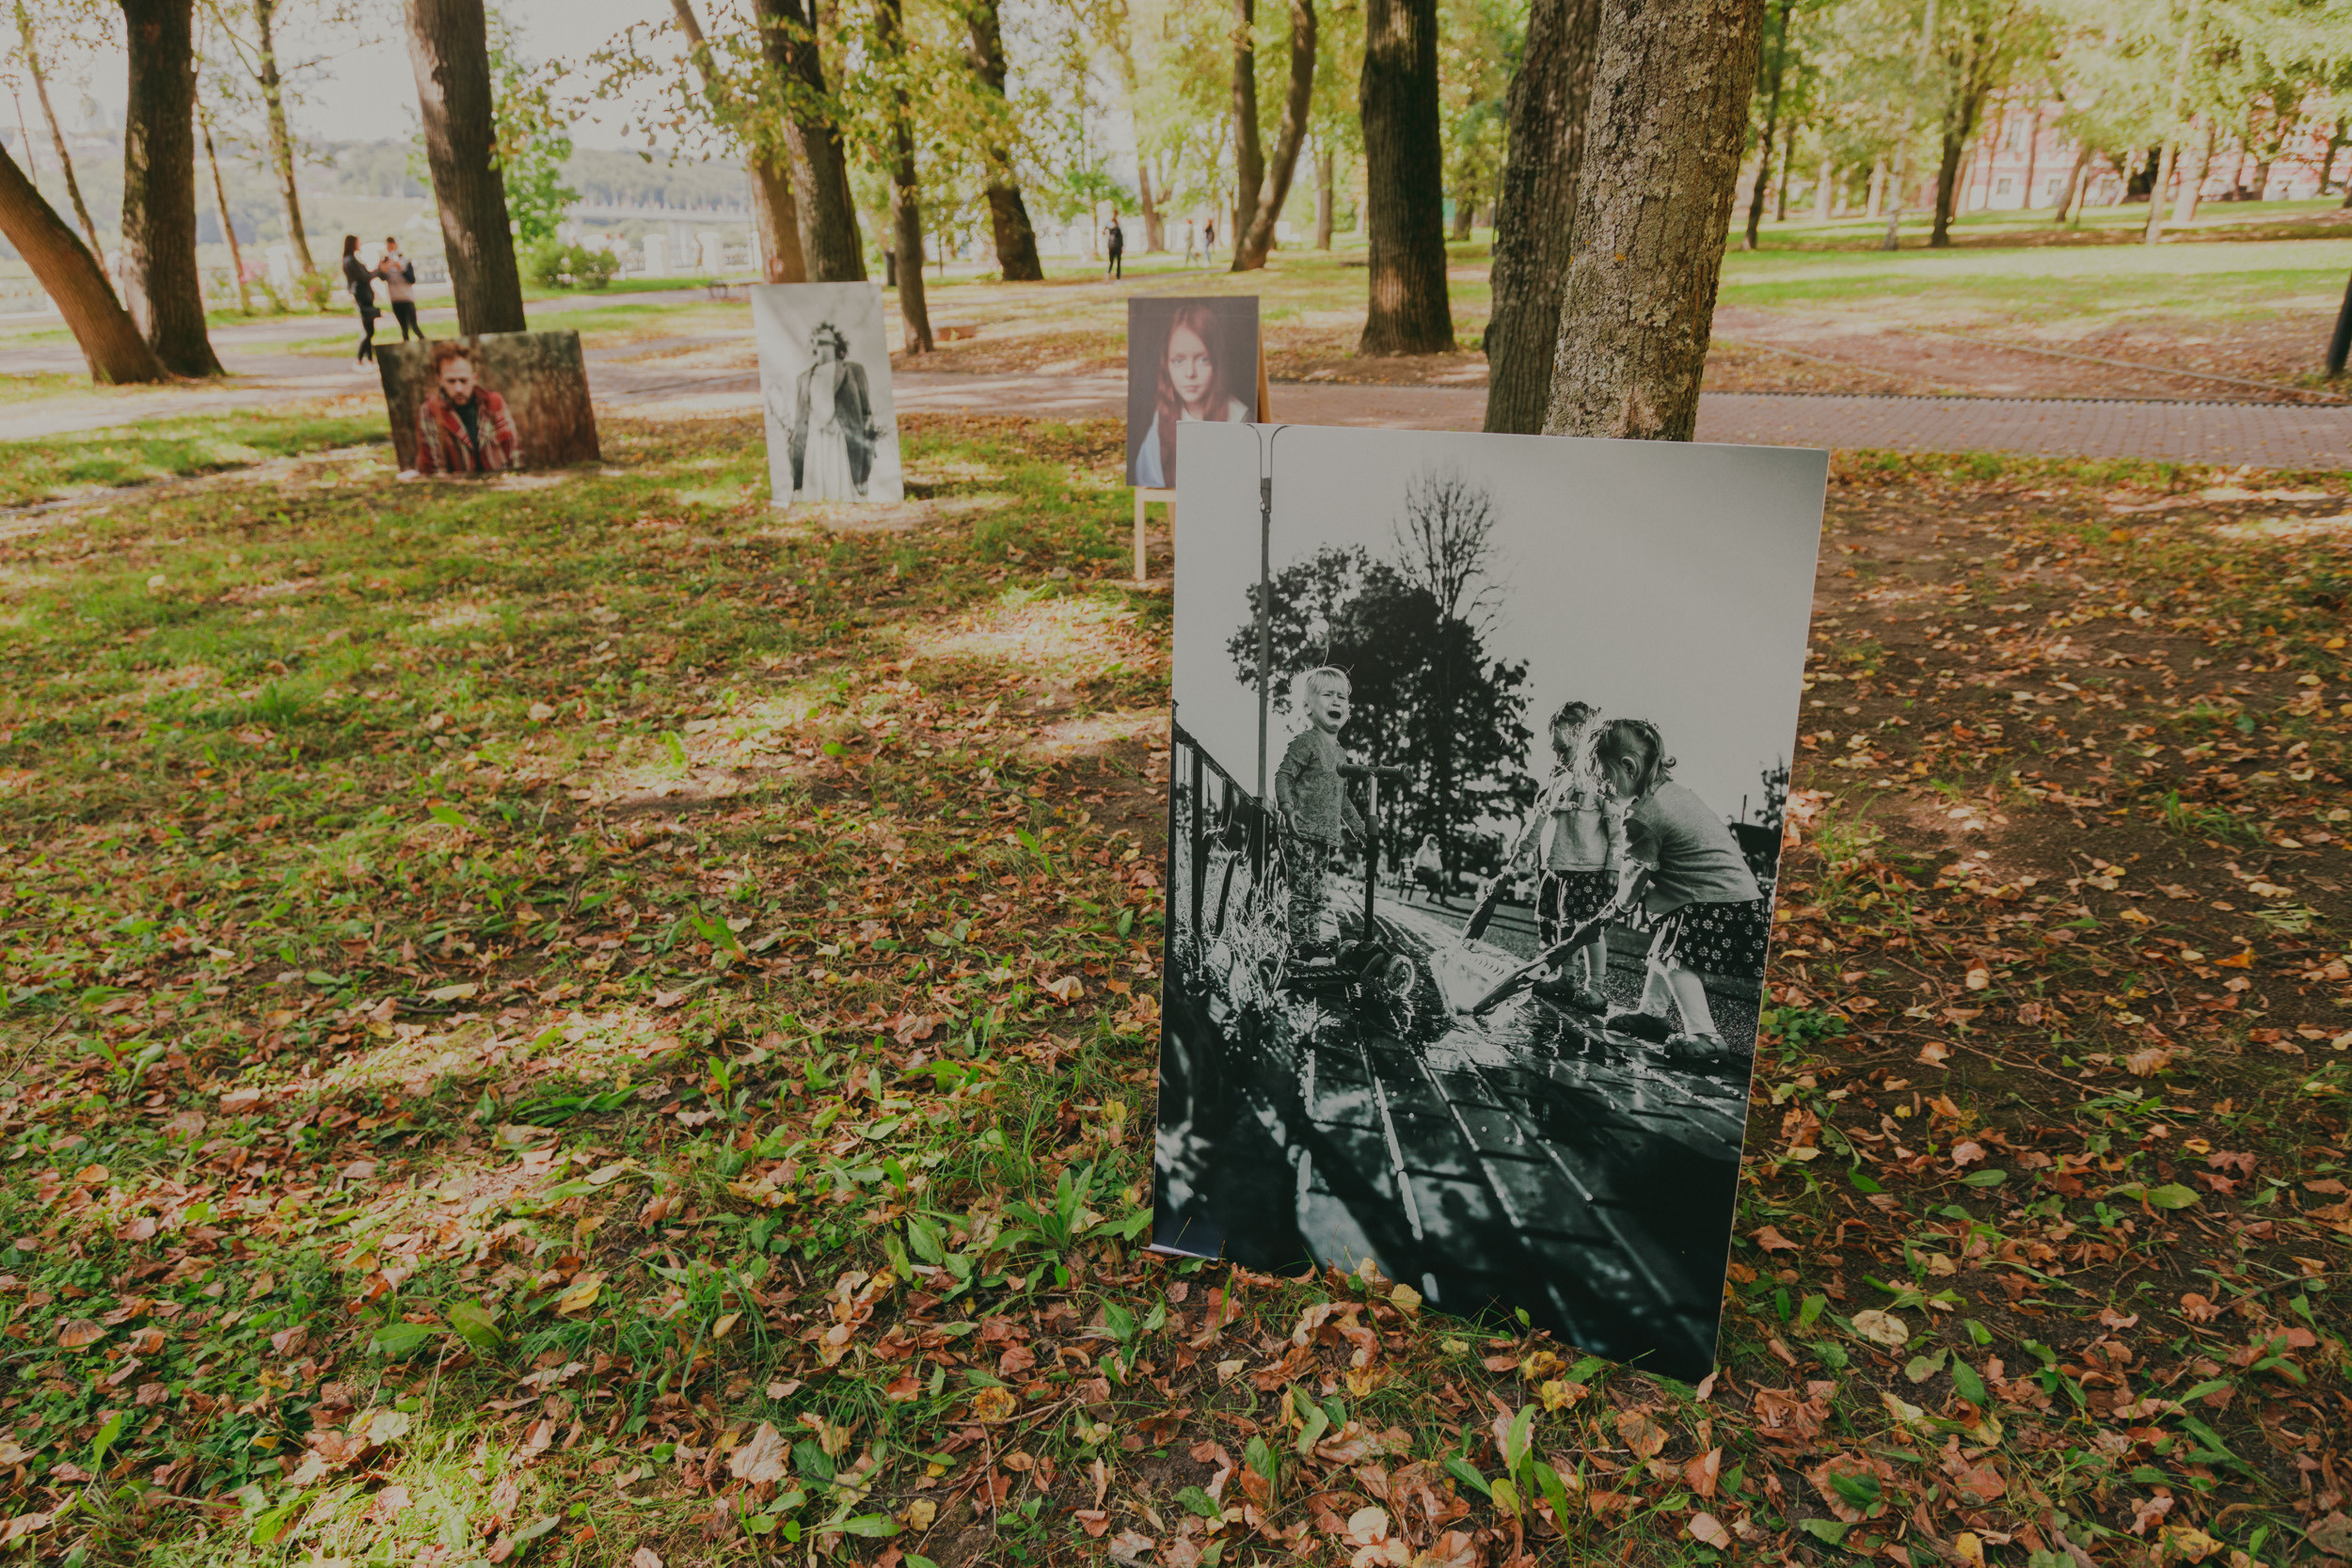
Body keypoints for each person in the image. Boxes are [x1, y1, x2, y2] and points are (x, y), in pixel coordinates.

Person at [1591, 718, 1770, 1058]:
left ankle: (1705, 1036)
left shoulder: (1644, 814)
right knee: (1664, 950)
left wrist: (1614, 911)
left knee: (1672, 958)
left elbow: (1634, 875)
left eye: (1602, 777)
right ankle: (1652, 1013)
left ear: (1628, 767)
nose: (1600, 788)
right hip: (1738, 895)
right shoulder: (1676, 794)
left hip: (1709, 899)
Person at [1506, 701, 1620, 1012]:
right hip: (1559, 868)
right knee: (1563, 926)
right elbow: (1539, 819)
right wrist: (1524, 848)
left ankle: (1595, 987)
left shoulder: (1600, 780)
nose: (1558, 756)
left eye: (1564, 750)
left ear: (1585, 741)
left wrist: (1614, 865)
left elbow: (1616, 825)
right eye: (1555, 750)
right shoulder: (1556, 781)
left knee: (1589, 930)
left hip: (1589, 868)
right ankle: (1566, 977)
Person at [1274, 667, 1365, 957]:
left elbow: (1342, 798)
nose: (1336, 701)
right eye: (1327, 695)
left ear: (1348, 710)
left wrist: (1361, 830)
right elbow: (1284, 776)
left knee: (1318, 893)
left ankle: (1313, 942)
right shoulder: (1305, 742)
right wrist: (1287, 808)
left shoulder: (1340, 753)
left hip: (1323, 836)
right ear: (1307, 707)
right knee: (1302, 891)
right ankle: (1300, 945)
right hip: (1299, 830)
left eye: (1342, 697)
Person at [1131, 303, 1251, 488]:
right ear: (1166, 365)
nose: (1190, 373)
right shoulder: (1163, 415)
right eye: (1178, 361)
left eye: (1203, 360)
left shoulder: (1240, 418)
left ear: (1217, 362)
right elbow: (1147, 479)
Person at [789, 322, 880, 501]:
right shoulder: (804, 378)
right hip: (815, 438)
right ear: (814, 345)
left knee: (844, 488)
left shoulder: (853, 371)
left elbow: (865, 408)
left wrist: (868, 433)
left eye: (826, 339)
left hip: (841, 436)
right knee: (816, 491)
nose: (822, 344)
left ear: (835, 343)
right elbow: (801, 416)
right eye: (818, 340)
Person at [412, 340, 518, 475]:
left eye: (463, 380)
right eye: (451, 381)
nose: (458, 388)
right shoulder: (431, 411)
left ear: (474, 378)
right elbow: (433, 469)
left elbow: (514, 454)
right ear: (439, 379)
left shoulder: (493, 403)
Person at [340, 233, 378, 369]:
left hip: (363, 297)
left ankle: (369, 360)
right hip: (362, 298)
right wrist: (378, 270)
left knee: (369, 330)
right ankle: (360, 360)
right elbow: (365, 277)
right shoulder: (350, 261)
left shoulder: (350, 260)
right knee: (368, 331)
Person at [376, 236, 421, 342]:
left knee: (414, 326)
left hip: (407, 298)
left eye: (392, 247)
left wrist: (401, 268)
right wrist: (382, 268)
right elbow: (382, 278)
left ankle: (427, 345)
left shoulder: (405, 261)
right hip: (395, 299)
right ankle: (407, 347)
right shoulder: (386, 262)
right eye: (388, 248)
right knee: (404, 328)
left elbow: (412, 279)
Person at [1410, 834, 1447, 906]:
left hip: (1430, 873)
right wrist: (1435, 870)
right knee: (1438, 877)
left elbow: (1439, 867)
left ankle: (1441, 898)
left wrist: (1437, 869)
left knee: (1445, 878)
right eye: (1435, 842)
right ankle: (1434, 895)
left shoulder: (1434, 852)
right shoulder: (1424, 850)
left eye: (1437, 842)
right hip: (1421, 872)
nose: (1436, 844)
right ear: (1430, 842)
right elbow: (1422, 865)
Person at [1105, 212, 1125, 279]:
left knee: (1114, 261)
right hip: (1115, 247)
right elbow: (1121, 238)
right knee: (1115, 261)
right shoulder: (1115, 229)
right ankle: (1115, 274)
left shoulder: (1112, 230)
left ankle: (1112, 273)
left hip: (1113, 247)